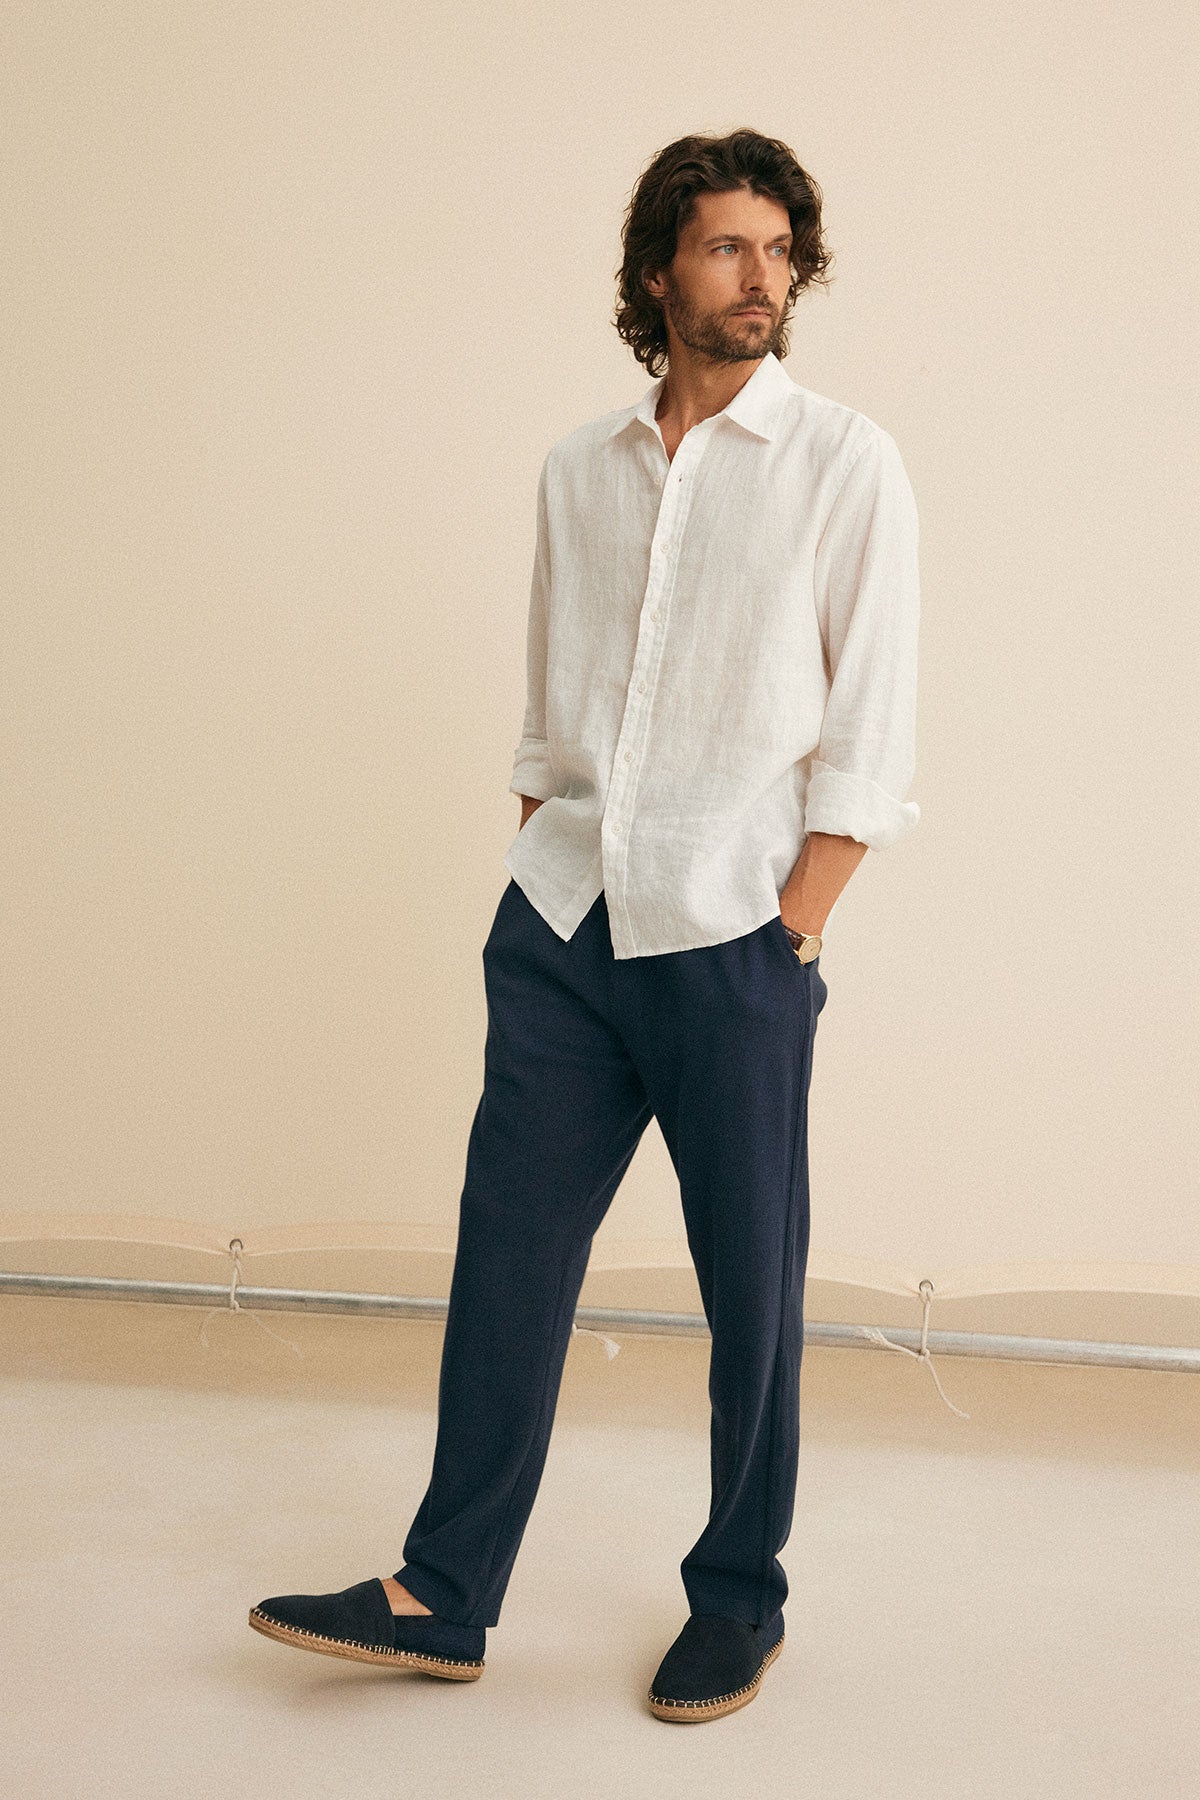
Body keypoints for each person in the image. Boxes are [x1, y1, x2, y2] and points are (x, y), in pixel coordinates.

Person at [249, 125, 921, 1723]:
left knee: (748, 1285)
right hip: (564, 922)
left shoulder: (846, 462)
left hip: (734, 937)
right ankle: (442, 1594)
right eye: (727, 248)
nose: (762, 279)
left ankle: (739, 1597)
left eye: (779, 251)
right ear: (656, 272)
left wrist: (797, 927)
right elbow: (560, 718)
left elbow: (870, 733)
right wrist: (542, 850)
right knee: (509, 1257)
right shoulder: (578, 469)